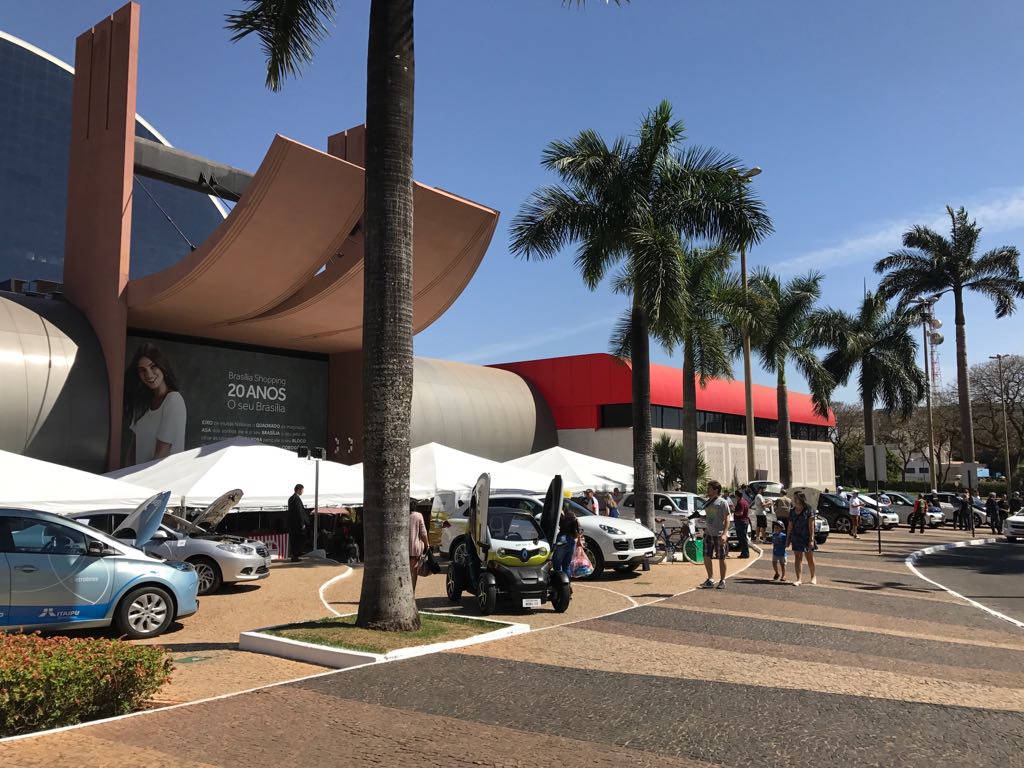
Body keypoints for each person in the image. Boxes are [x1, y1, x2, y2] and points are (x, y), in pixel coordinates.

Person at [123, 342, 187, 465]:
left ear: (162, 366)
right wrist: (126, 474)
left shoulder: (173, 401)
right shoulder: (142, 403)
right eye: (142, 370)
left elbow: (161, 455)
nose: (148, 374)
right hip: (140, 475)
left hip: (161, 475)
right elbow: (132, 451)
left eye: (152, 367)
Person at [699, 480, 731, 589]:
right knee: (706, 556)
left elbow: (727, 518)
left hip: (719, 534)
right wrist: (699, 517)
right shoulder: (708, 502)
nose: (707, 490)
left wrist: (724, 534)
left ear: (716, 490)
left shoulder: (722, 502)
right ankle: (710, 579)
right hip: (708, 534)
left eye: (709, 488)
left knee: (721, 557)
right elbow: (709, 517)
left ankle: (722, 580)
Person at [787, 490, 817, 586]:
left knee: (809, 557)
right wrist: (788, 538)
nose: (794, 499)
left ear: (801, 498)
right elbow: (790, 525)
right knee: (798, 557)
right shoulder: (792, 511)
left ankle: (813, 576)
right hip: (796, 536)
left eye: (796, 498)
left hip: (806, 536)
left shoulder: (808, 509)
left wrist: (811, 539)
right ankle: (798, 579)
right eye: (794, 498)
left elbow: (811, 526)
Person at [554, 502, 581, 578]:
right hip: (571, 541)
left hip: (562, 540)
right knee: (566, 566)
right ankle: (567, 582)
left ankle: (559, 582)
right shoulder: (572, 516)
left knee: (557, 565)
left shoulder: (561, 516)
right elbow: (578, 529)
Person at [409, 502, 429, 593]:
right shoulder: (418, 516)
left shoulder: (400, 515)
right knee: (413, 572)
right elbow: (423, 533)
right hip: (414, 548)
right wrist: (427, 544)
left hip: (402, 549)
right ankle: (412, 591)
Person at [287, 484, 309, 562]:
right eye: (302, 490)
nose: (303, 491)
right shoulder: (296, 499)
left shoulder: (290, 498)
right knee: (299, 539)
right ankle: (296, 554)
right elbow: (299, 512)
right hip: (297, 524)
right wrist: (302, 523)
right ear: (299, 490)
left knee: (294, 539)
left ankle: (295, 554)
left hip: (292, 523)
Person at [732, 490, 751, 559]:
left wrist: (733, 511)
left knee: (742, 539)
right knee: (743, 538)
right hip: (743, 522)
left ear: (737, 495)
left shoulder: (740, 502)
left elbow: (740, 513)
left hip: (741, 522)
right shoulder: (745, 501)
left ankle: (745, 553)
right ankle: (744, 553)